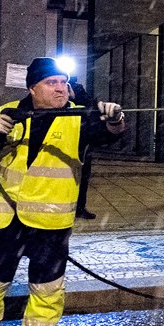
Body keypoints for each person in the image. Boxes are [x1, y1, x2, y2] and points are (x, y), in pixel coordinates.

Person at [0, 57, 125, 326]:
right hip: (7, 221)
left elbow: (111, 134)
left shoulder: (79, 117)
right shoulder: (9, 113)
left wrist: (115, 119)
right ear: (33, 88)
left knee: (47, 290)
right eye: (51, 82)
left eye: (63, 82)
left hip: (51, 224)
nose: (61, 88)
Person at [67, 76, 97, 220]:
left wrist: (74, 96)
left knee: (83, 176)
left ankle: (79, 207)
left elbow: (90, 107)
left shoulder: (78, 90)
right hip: (64, 138)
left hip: (81, 140)